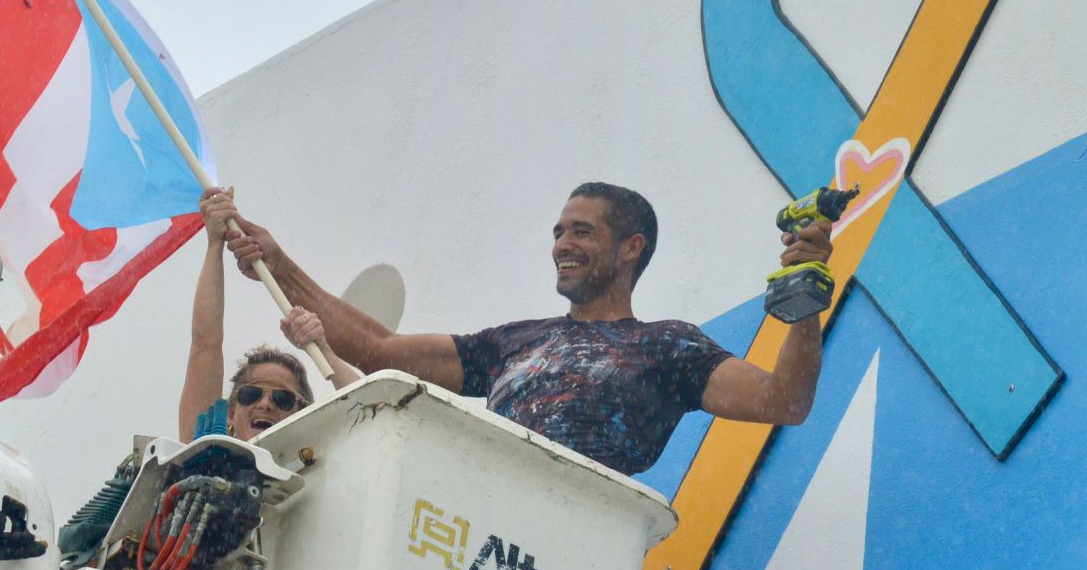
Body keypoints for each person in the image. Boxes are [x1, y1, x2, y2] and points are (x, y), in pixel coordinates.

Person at [206, 182, 831, 475]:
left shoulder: (667, 345)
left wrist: (804, 310)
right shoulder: (514, 342)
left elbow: (785, 400)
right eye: (558, 231)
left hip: (569, 561)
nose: (562, 244)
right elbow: (376, 352)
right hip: (475, 532)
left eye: (582, 231)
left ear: (631, 247)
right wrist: (276, 257)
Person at [178, 189, 358, 443]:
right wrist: (214, 242)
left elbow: (371, 409)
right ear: (230, 414)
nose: (265, 404)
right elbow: (205, 345)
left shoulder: (318, 468)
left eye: (282, 399)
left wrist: (324, 351)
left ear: (301, 414)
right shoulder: (204, 454)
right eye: (250, 394)